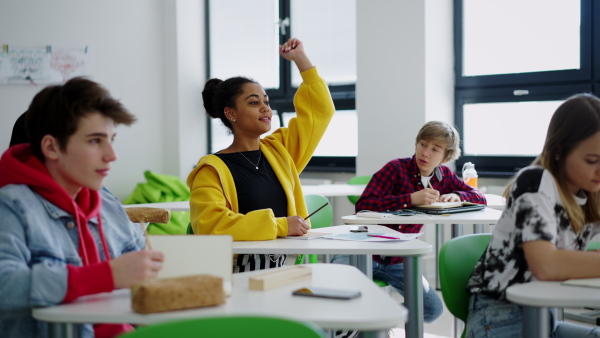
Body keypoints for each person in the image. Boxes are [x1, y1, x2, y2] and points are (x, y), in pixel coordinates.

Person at [0, 77, 164, 338]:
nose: (112, 155)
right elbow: (5, 286)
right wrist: (103, 276)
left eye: (112, 139)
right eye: (95, 141)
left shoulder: (108, 205)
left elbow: (148, 281)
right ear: (51, 147)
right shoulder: (12, 206)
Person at [187, 38, 335, 273]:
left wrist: (300, 59)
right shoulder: (211, 170)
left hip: (289, 268)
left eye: (266, 101)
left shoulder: (280, 151)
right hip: (240, 274)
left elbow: (320, 112)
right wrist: (280, 225)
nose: (266, 108)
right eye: (254, 102)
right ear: (230, 113)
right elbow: (211, 225)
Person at [466, 93, 600, 337]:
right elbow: (546, 265)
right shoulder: (536, 181)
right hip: (498, 317)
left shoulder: (592, 190)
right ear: (559, 151)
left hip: (543, 316)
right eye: (592, 160)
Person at [332, 121, 487, 323]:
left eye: (435, 149)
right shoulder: (395, 169)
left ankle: (378, 315)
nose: (426, 153)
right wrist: (410, 199)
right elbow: (363, 205)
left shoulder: (445, 177)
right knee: (336, 296)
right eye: (423, 144)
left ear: (446, 157)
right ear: (416, 144)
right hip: (363, 250)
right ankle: (369, 323)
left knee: (432, 310)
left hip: (398, 259)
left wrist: (457, 195)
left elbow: (479, 196)